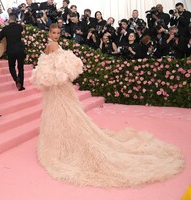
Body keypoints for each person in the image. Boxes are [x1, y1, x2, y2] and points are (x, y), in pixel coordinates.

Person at [30, 23, 184, 187]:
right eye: (53, 32)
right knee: (66, 114)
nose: (56, 35)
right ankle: (65, 141)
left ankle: (60, 142)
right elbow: (60, 67)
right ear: (49, 32)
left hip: (56, 88)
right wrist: (67, 70)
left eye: (58, 33)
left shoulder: (48, 46)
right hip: (60, 87)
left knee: (61, 114)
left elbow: (45, 69)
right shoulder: (53, 45)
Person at [0, 13, 26, 91]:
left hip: (11, 50)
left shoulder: (6, 28)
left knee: (11, 67)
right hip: (20, 49)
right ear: (16, 19)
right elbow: (21, 31)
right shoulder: (19, 27)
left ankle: (16, 80)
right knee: (20, 68)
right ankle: (21, 86)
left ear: (9, 19)